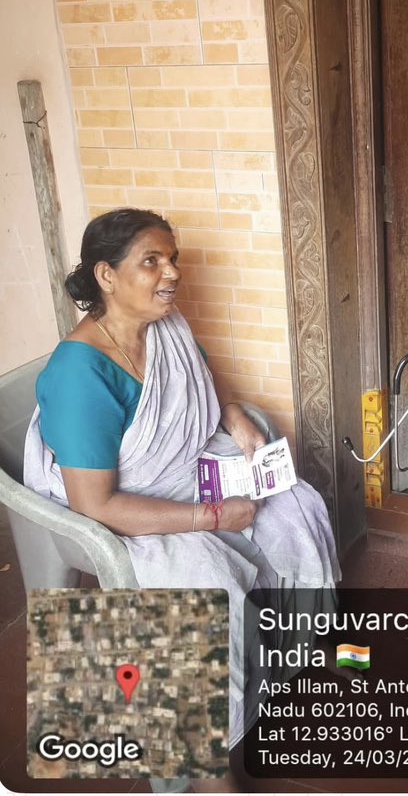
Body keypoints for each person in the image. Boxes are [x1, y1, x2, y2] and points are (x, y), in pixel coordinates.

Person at [24, 207, 340, 790]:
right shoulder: (80, 374)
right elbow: (97, 505)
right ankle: (203, 764)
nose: (171, 272)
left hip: (186, 474)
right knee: (207, 579)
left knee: (294, 508)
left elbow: (199, 378)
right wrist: (213, 516)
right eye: (152, 261)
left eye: (173, 259)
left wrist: (236, 414)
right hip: (129, 513)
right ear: (107, 275)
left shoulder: (162, 326)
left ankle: (285, 668)